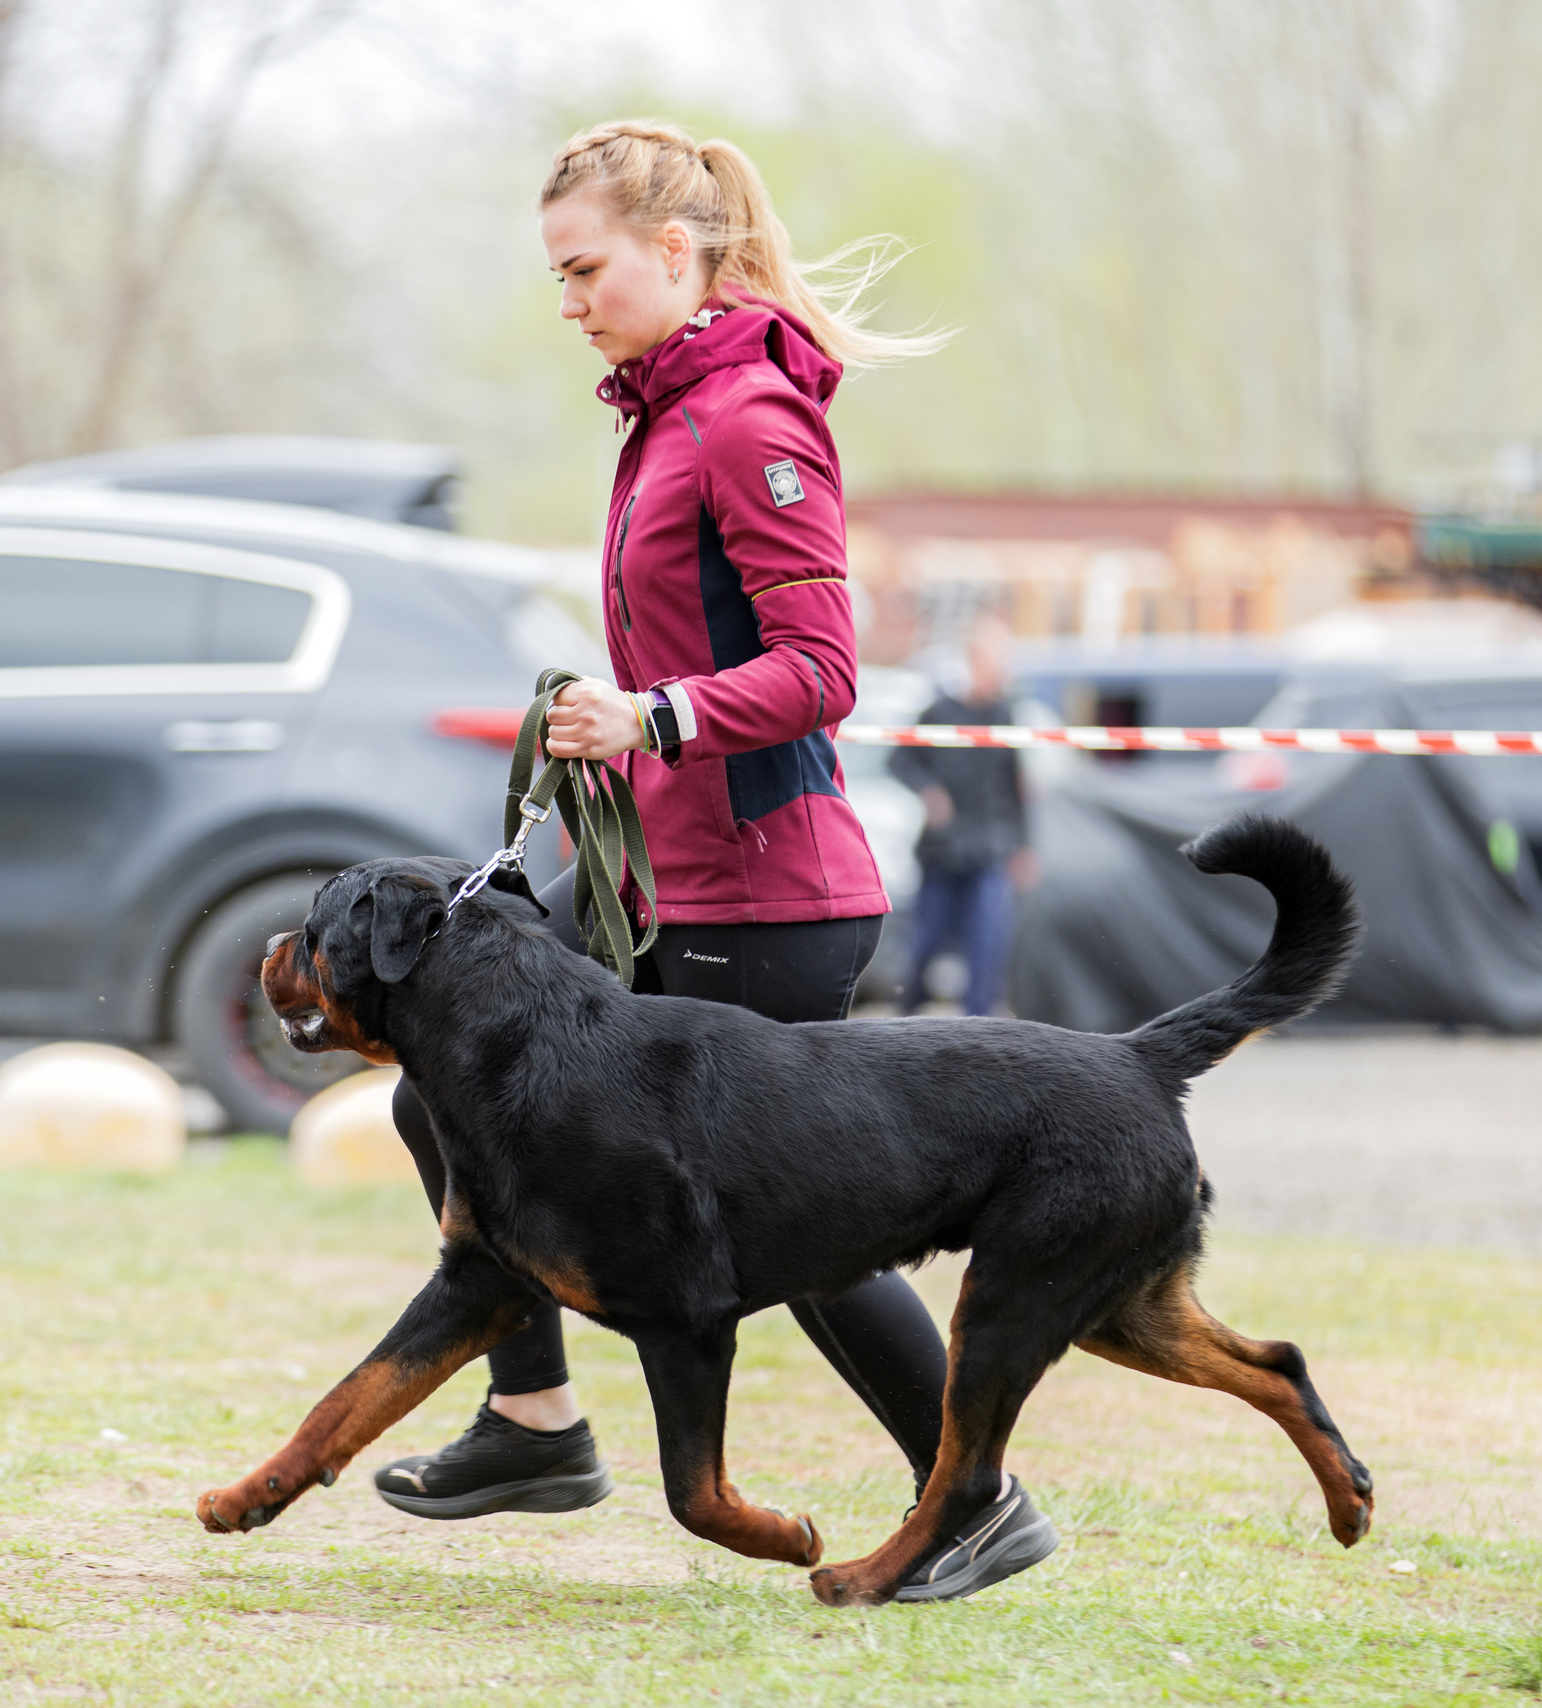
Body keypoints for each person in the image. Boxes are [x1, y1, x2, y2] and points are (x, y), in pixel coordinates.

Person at [369, 119, 1056, 1601]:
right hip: (654, 882)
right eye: (557, 278)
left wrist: (656, 713)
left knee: (801, 1237)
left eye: (585, 270)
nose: (570, 304)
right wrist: (602, 729)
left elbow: (824, 670)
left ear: (674, 252)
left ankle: (981, 1502)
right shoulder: (663, 414)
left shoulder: (746, 417)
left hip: (769, 896)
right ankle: (534, 1421)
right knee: (452, 1083)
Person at [890, 619, 1038, 1016]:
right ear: (975, 662)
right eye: (996, 662)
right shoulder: (939, 711)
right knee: (926, 945)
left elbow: (1015, 788)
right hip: (942, 850)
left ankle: (979, 1034)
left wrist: (1024, 846)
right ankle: (904, 1022)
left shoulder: (1005, 715)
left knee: (987, 947)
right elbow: (899, 758)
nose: (1003, 671)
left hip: (990, 850)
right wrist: (928, 791)